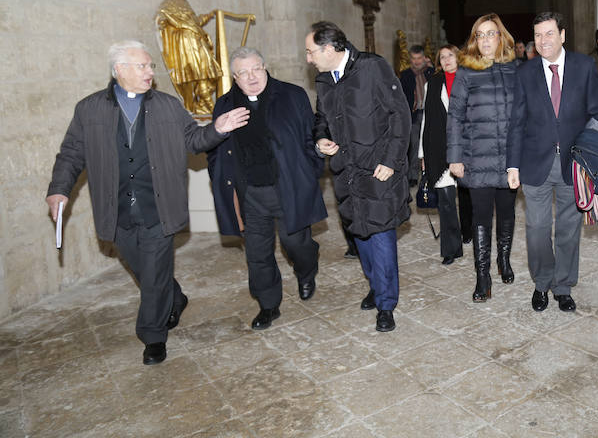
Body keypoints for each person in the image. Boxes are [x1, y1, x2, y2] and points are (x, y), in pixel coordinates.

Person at [46, 41, 249, 365]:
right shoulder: (89, 109)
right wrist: (59, 190)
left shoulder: (168, 106)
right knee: (147, 269)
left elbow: (193, 140)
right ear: (119, 70)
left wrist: (217, 129)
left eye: (150, 66)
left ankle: (153, 336)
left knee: (153, 273)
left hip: (159, 205)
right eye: (143, 66)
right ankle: (176, 297)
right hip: (117, 211)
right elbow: (71, 153)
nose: (151, 72)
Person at [207, 47, 327, 331]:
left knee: (296, 243)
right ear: (234, 77)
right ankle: (268, 304)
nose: (251, 77)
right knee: (257, 254)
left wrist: (310, 173)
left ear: (265, 67)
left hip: (287, 188)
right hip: (250, 193)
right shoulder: (224, 105)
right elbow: (214, 150)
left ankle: (306, 269)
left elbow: (311, 138)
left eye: (256, 69)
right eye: (243, 73)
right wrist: (224, 183)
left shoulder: (292, 95)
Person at [306, 21, 411, 333]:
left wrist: (391, 161)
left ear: (328, 49)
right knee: (360, 234)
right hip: (346, 171)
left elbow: (400, 114)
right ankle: (376, 285)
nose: (309, 59)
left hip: (378, 169)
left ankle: (387, 303)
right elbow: (321, 118)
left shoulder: (372, 68)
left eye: (311, 52)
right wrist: (321, 138)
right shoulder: (323, 80)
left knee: (380, 235)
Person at [507, 12, 598, 313]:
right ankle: (542, 282)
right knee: (537, 229)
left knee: (568, 229)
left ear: (562, 35)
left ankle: (562, 287)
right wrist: (512, 165)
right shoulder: (524, 72)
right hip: (534, 162)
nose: (543, 41)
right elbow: (516, 122)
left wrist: (596, 155)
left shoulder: (584, 66)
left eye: (549, 33)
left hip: (574, 164)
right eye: (538, 35)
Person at [447, 13, 519, 302]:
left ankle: (503, 259)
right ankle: (482, 275)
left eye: (491, 33)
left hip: (509, 159)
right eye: (480, 35)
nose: (486, 39)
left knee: (507, 212)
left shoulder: (516, 69)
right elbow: (455, 116)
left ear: (501, 37)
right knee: (480, 218)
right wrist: (454, 157)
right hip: (476, 158)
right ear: (474, 40)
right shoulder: (466, 71)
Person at [418, 45, 472, 264]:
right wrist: (423, 154)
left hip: (468, 148)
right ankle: (451, 248)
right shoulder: (433, 83)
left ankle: (469, 233)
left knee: (469, 198)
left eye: (450, 55)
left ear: (458, 57)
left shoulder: (470, 79)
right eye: (442, 57)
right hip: (439, 149)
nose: (447, 60)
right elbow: (426, 121)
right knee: (447, 201)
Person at [156, 0, 223, 116]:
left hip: (197, 40)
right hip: (186, 43)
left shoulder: (185, 3)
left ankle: (204, 106)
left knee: (207, 74)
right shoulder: (168, 3)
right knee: (197, 74)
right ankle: (209, 108)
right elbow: (162, 18)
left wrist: (209, 15)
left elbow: (195, 23)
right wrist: (163, 21)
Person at [399, 44, 435, 184]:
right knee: (413, 145)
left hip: (430, 114)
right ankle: (413, 176)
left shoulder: (432, 72)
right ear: (410, 59)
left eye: (419, 58)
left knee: (430, 144)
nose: (417, 61)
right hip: (413, 115)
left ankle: (431, 173)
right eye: (414, 58)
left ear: (424, 57)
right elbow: (402, 97)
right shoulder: (406, 75)